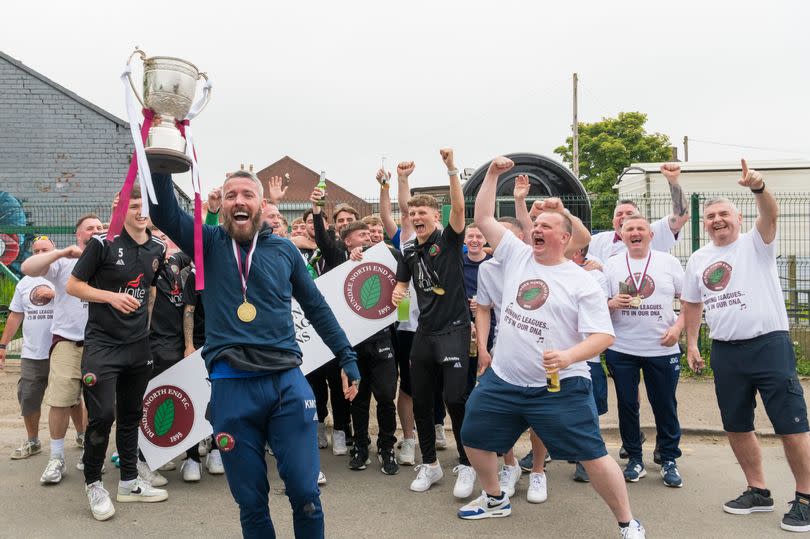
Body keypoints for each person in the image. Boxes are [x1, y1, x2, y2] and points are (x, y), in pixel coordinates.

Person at [148, 168, 360, 538]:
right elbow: (164, 213)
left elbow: (316, 307)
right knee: (251, 502)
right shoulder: (209, 242)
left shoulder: (285, 250)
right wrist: (161, 163)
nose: (239, 201)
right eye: (231, 195)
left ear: (261, 205)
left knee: (306, 494)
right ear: (224, 205)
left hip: (286, 386)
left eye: (247, 194)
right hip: (232, 390)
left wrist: (346, 356)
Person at [459, 156, 645, 538]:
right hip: (505, 380)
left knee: (593, 455)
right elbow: (483, 218)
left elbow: (603, 337)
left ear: (565, 238)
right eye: (535, 226)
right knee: (473, 436)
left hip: (559, 387)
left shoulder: (582, 282)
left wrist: (568, 356)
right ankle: (495, 499)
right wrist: (494, 175)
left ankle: (628, 523)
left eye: (546, 226)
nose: (537, 229)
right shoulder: (516, 254)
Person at [682, 160, 810, 533]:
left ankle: (805, 497)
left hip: (769, 345)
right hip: (726, 350)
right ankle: (758, 491)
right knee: (736, 425)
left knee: (791, 426)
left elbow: (771, 213)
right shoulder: (698, 258)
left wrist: (758, 187)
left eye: (723, 213)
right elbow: (692, 303)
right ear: (704, 223)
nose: (717, 220)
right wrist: (693, 343)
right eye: (710, 216)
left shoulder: (756, 243)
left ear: (738, 217)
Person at [66, 185, 170, 520]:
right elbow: (73, 285)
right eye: (134, 205)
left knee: (130, 415)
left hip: (138, 346)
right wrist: (111, 297)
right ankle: (94, 483)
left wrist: (146, 330)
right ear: (122, 208)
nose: (141, 212)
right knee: (102, 417)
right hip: (102, 345)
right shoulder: (102, 244)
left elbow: (149, 291)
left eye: (146, 206)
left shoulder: (157, 247)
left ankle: (128, 482)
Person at [391, 148, 475, 497]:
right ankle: (430, 465)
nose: (415, 216)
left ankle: (468, 464)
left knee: (456, 399)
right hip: (424, 334)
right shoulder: (409, 250)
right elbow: (401, 285)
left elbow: (458, 209)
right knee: (422, 401)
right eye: (411, 213)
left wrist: (452, 169)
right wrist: (398, 294)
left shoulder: (449, 240)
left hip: (455, 330)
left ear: (434, 216)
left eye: (421, 211)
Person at [603, 215, 685, 487]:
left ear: (650, 234)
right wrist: (612, 302)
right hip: (622, 347)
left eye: (640, 228)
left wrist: (678, 329)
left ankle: (669, 458)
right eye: (629, 229)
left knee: (664, 404)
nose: (635, 233)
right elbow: (597, 304)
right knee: (627, 404)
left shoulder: (668, 262)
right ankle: (634, 458)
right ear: (621, 235)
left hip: (662, 347)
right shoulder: (611, 265)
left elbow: (690, 301)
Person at [475, 216, 551, 504]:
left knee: (538, 418)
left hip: (541, 353)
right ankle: (510, 466)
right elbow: (483, 309)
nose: (496, 239)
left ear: (520, 239)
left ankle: (538, 472)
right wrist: (483, 348)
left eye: (504, 234)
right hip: (501, 352)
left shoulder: (539, 265)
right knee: (499, 414)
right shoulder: (487, 268)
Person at [21, 214, 103, 484]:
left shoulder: (110, 259)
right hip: (68, 341)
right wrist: (62, 252)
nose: (95, 231)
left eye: (100, 227)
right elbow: (28, 268)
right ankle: (56, 458)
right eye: (89, 228)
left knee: (96, 404)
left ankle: (90, 455)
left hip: (101, 342)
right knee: (59, 400)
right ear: (78, 235)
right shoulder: (64, 262)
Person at [1, 236, 56, 459]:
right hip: (32, 353)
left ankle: (81, 437)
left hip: (61, 350)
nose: (40, 254)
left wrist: (56, 293)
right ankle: (33, 441)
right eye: (36, 251)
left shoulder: (65, 276)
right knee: (28, 396)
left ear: (55, 251)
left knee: (70, 398)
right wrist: (3, 344)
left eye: (45, 250)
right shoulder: (24, 283)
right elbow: (15, 315)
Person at [588, 163, 689, 264]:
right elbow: (576, 251)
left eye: (629, 213)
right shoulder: (599, 241)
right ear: (613, 222)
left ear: (640, 218)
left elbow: (680, 216)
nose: (624, 216)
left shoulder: (654, 233)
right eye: (619, 214)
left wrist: (673, 181)